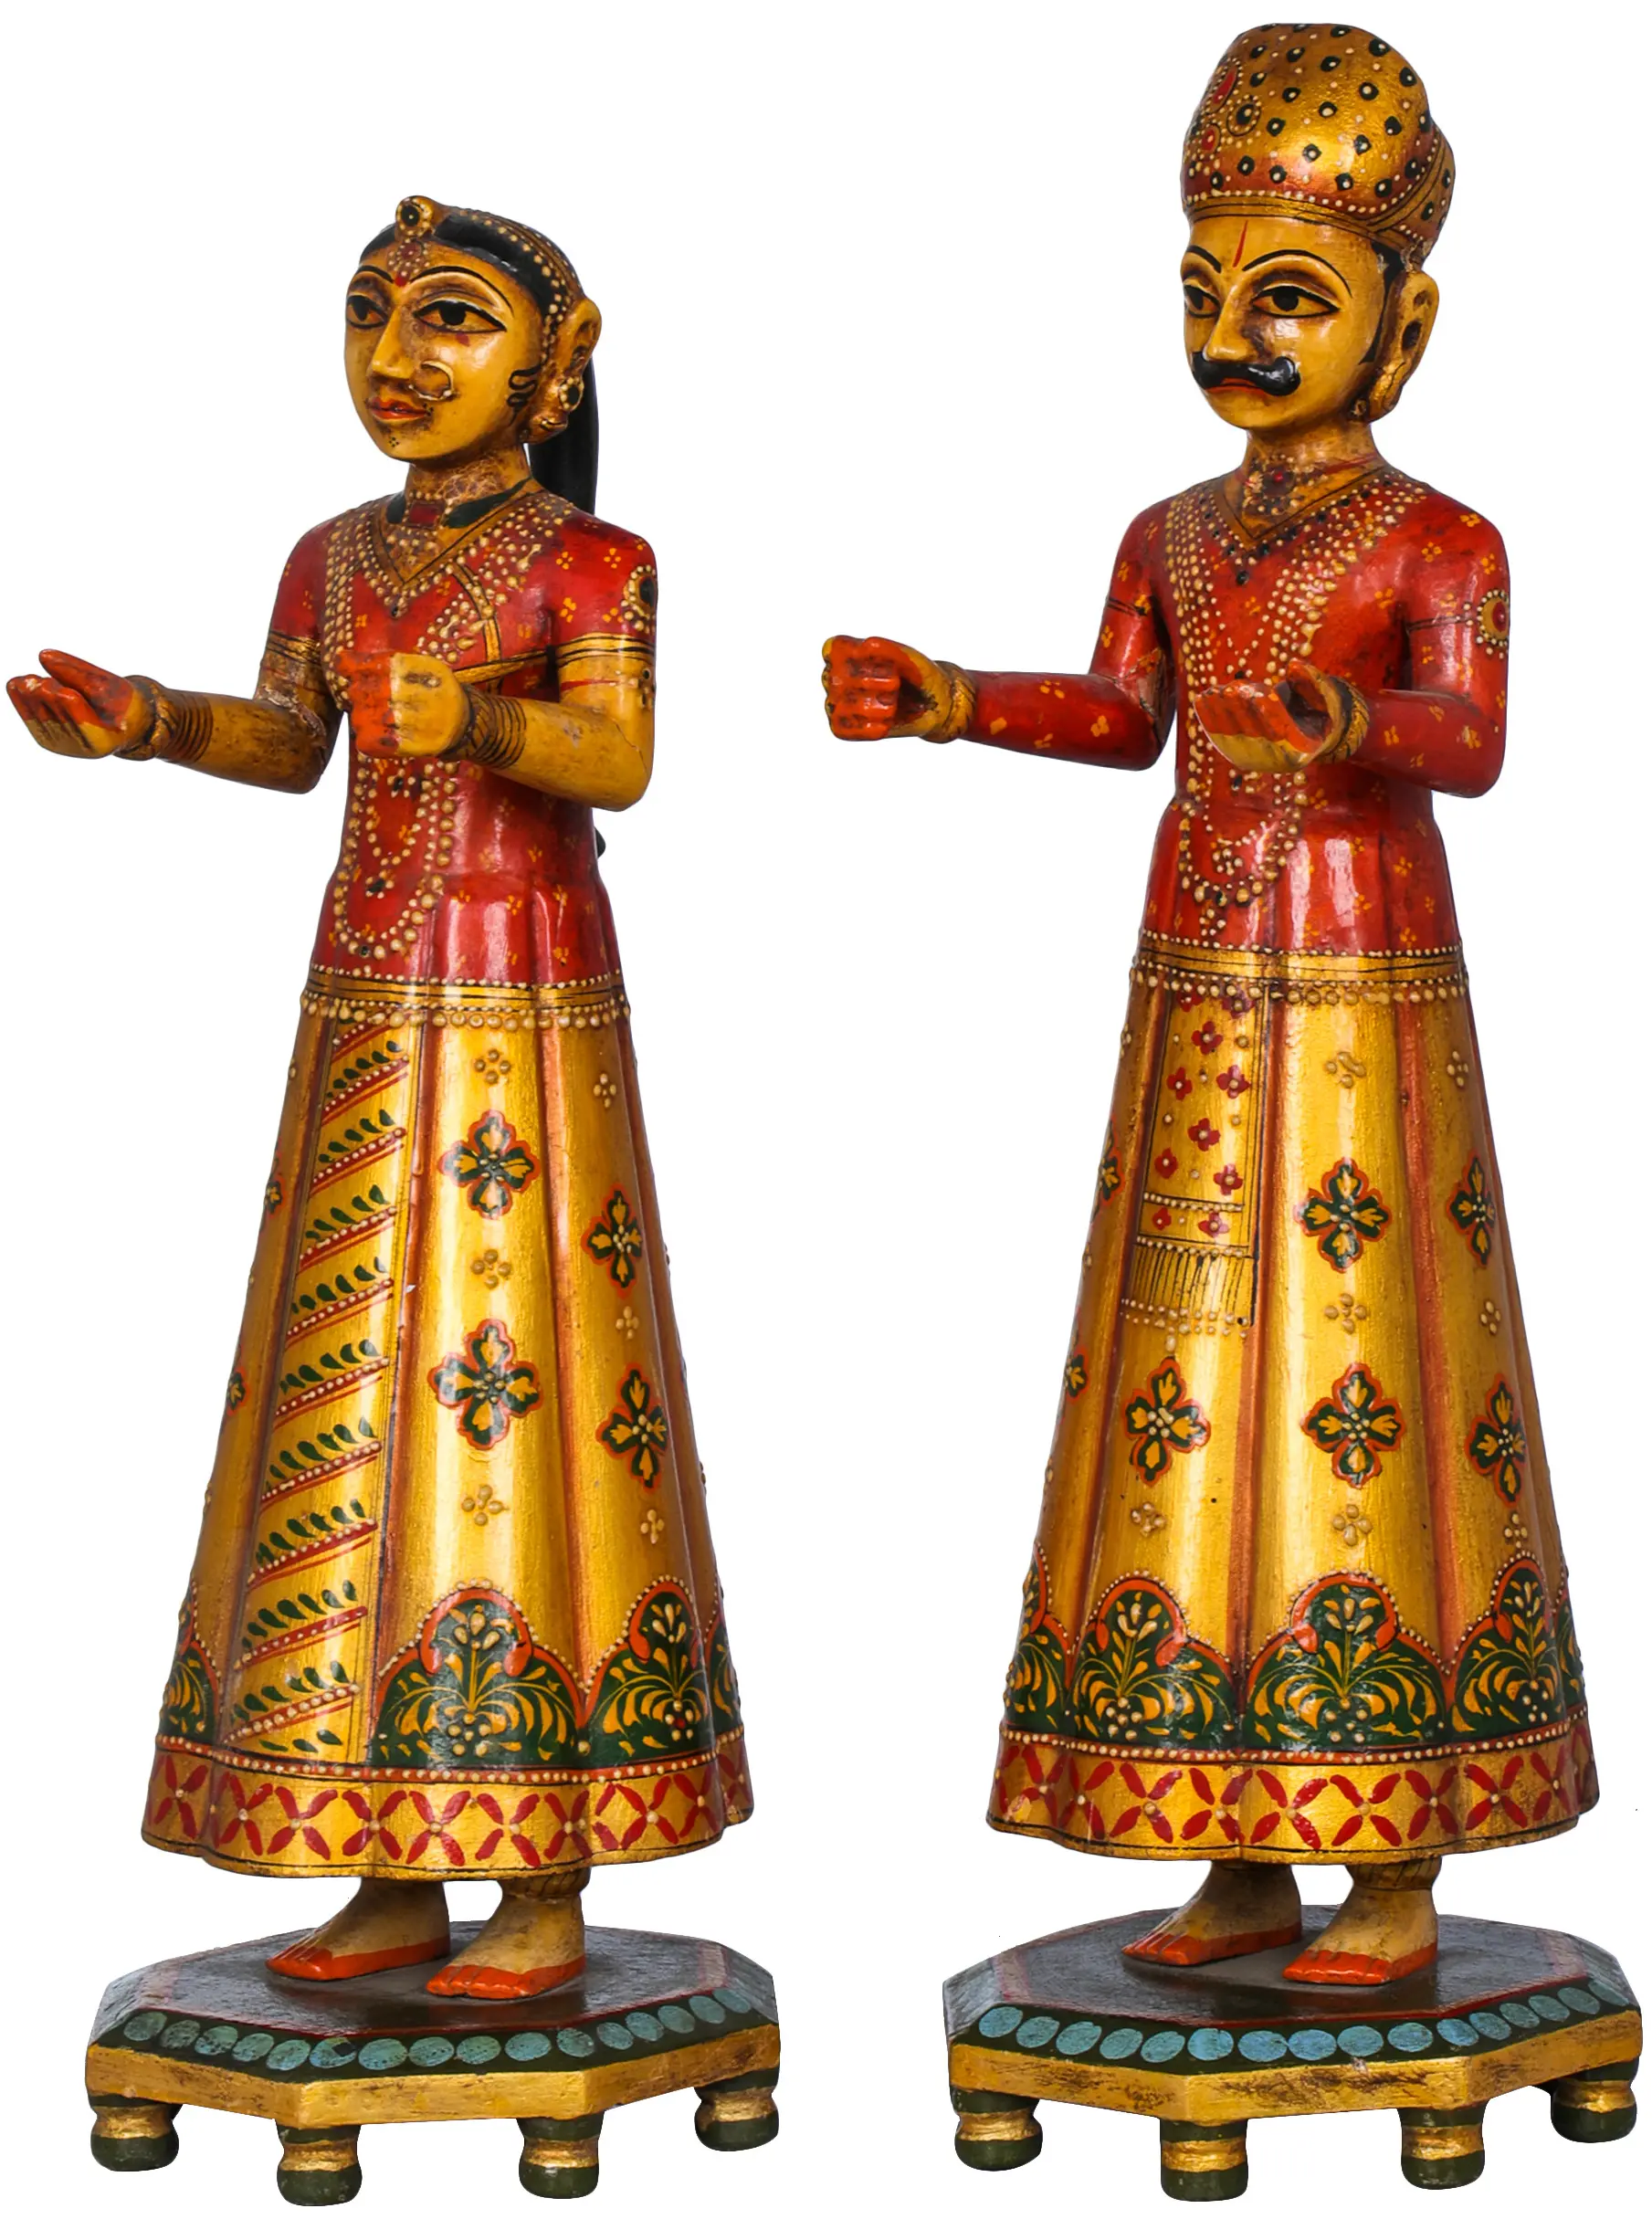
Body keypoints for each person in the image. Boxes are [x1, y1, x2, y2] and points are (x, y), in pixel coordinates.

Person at [823, 24, 1589, 1985]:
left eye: (1290, 297)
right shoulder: (1169, 531)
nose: (1235, 334)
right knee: (1192, 1384)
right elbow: (1124, 715)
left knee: (1368, 1379)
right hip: (1196, 999)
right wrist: (956, 700)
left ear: (1404, 327)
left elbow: (1476, 737)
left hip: (1367, 1005)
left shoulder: (1444, 540)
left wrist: (1361, 719)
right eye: (1203, 293)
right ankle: (1235, 1844)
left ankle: (1395, 1868)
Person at [10, 195, 750, 2001]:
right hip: (362, 1000)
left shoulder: (596, 562)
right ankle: (387, 1863)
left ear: (554, 369)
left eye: (449, 320)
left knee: (528, 1402)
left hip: (527, 1009)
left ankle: (547, 1885)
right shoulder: (332, 557)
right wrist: (154, 721)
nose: (398, 359)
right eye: (371, 316)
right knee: (344, 1399)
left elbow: (621, 757)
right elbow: (293, 741)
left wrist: (483, 724)